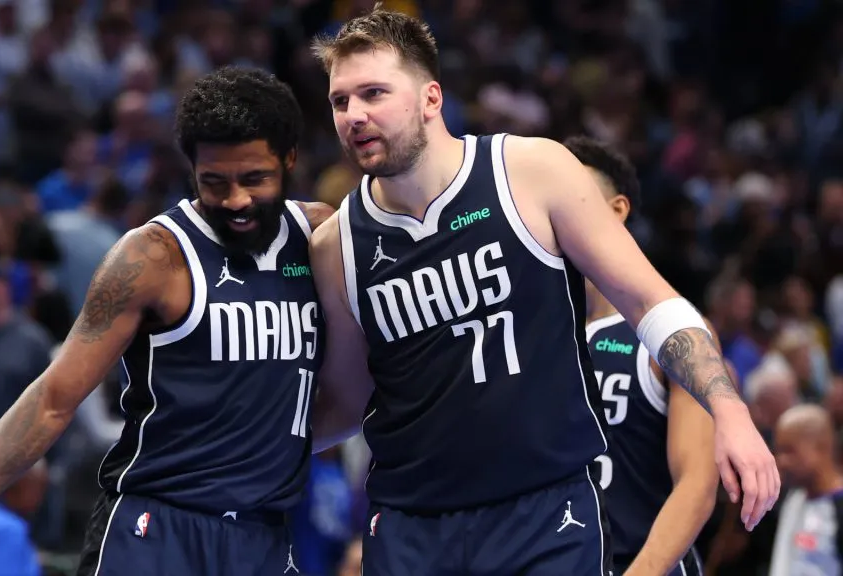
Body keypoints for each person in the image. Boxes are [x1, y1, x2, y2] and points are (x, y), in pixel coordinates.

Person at [307, 6, 779, 575]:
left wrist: (727, 408)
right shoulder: (337, 245)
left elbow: (652, 301)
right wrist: (227, 451)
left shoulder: (529, 172)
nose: (354, 115)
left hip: (543, 512)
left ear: (431, 98)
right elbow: (347, 402)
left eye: (374, 93)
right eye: (340, 101)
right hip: (411, 524)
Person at [0, 66, 335, 576]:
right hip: (155, 530)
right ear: (191, 169)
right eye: (215, 182)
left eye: (254, 180)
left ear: (289, 160)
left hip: (263, 535)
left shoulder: (319, 235)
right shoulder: (152, 257)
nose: (236, 200)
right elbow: (53, 398)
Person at [566, 136, 718, 575]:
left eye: (568, 192)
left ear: (615, 211)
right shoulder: (525, 334)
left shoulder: (671, 332)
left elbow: (697, 484)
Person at [769, 404, 843, 576]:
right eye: (778, 451)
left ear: (821, 447)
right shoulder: (792, 497)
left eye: (789, 451)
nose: (781, 461)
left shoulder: (838, 507)